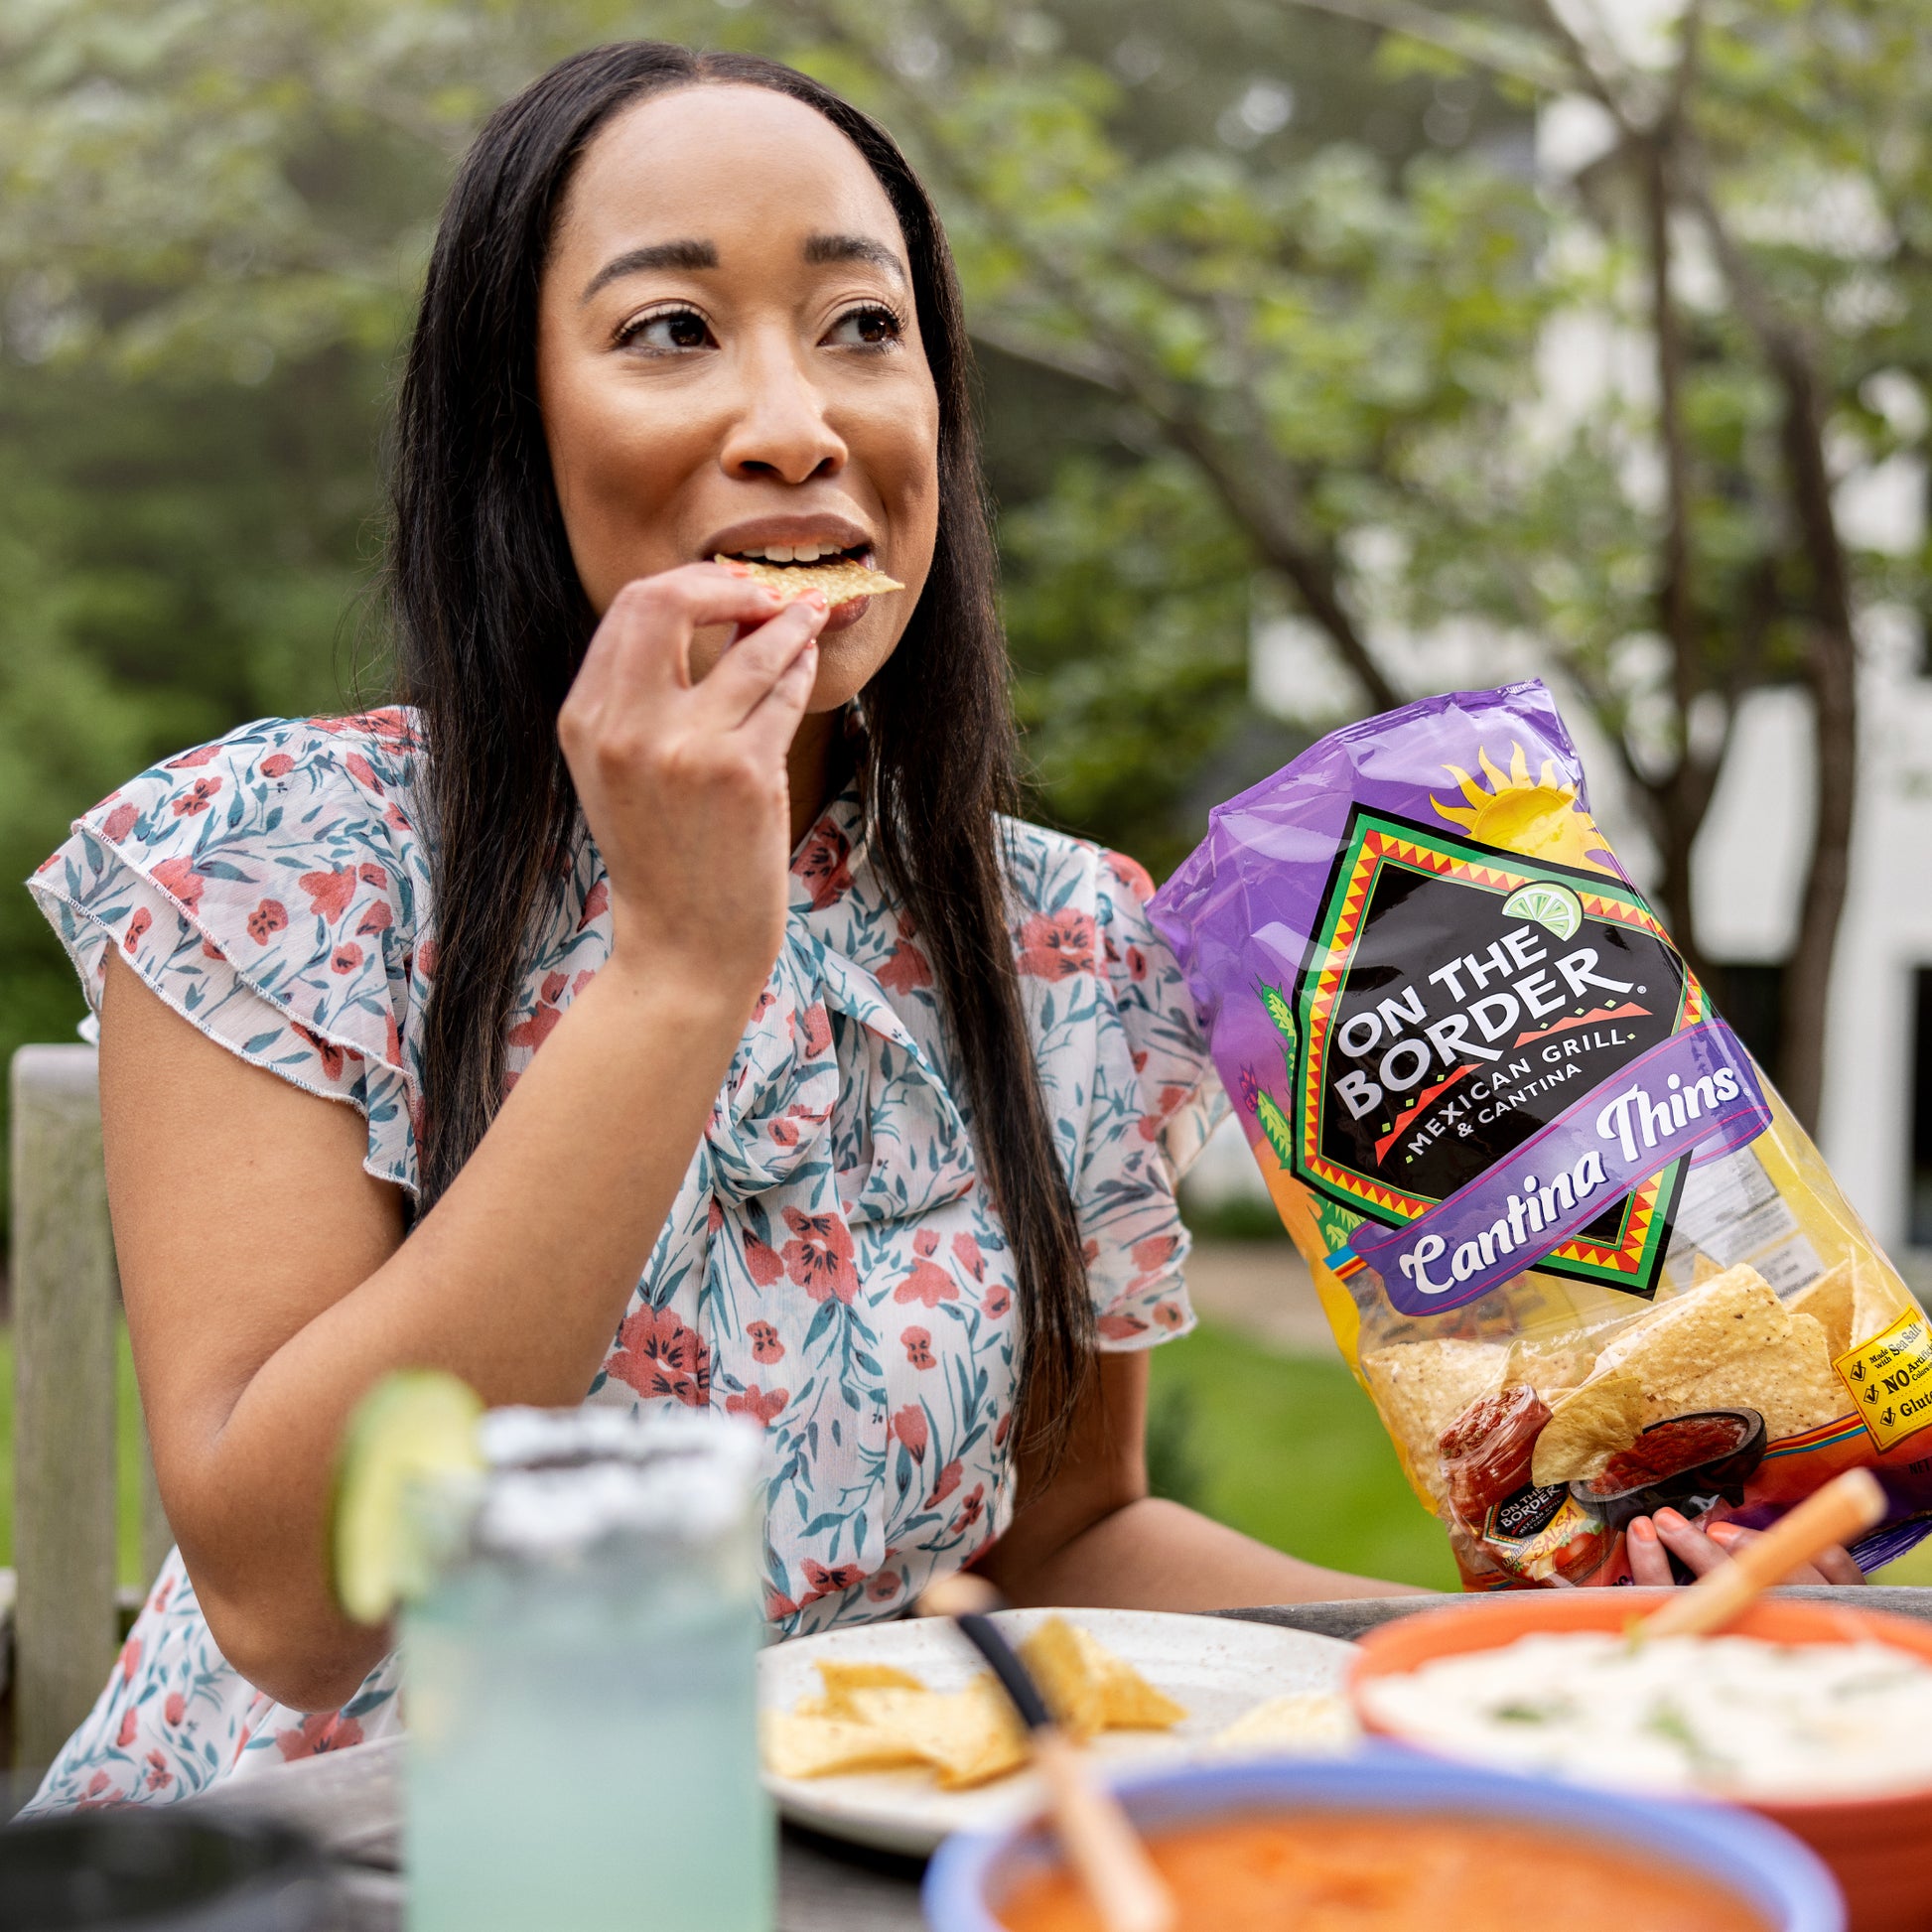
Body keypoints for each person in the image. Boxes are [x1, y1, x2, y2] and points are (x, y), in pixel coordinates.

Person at [22, 42, 1854, 1812]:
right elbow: (295, 1603)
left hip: (818, 1856)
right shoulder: (281, 854)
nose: (794, 425)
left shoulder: (1064, 944)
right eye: (670, 330)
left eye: (860, 327)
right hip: (330, 1860)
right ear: (519, 423)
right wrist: (675, 973)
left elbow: (1064, 1532)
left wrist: (1519, 1658)